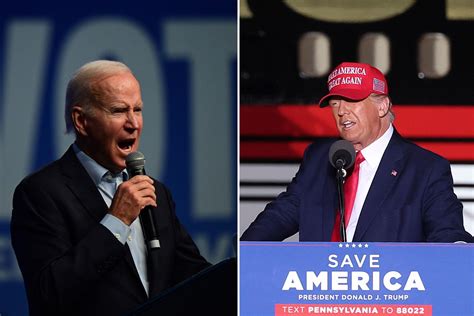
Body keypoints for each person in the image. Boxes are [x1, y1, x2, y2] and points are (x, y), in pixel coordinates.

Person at [10, 60, 211, 315]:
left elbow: (195, 277)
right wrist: (117, 221)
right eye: (118, 111)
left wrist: (243, 272)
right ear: (81, 121)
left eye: (137, 110)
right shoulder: (40, 193)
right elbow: (49, 292)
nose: (133, 123)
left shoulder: (155, 191)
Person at [241, 61, 473, 243]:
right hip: (316, 297)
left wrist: (457, 254)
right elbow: (283, 214)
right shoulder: (319, 157)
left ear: (382, 106)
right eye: (334, 103)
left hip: (386, 299)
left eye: (351, 101)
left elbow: (447, 233)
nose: (341, 111)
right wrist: (245, 252)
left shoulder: (425, 169)